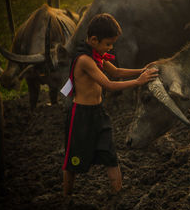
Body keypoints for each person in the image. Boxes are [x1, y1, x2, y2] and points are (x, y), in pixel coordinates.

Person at [61, 13, 158, 196]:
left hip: (98, 113)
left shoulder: (97, 56)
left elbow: (117, 72)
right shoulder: (85, 60)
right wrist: (139, 81)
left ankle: (118, 195)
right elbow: (110, 85)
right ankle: (66, 197)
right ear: (93, 40)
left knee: (110, 155)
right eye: (108, 44)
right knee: (73, 161)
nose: (111, 48)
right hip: (81, 116)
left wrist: (143, 70)